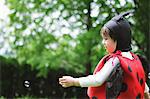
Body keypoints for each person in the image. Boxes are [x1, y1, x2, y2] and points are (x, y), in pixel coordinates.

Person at [59, 11, 149, 99]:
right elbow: (144, 88)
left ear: (119, 40)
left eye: (106, 39)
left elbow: (98, 80)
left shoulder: (116, 60)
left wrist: (75, 81)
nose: (103, 42)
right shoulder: (136, 59)